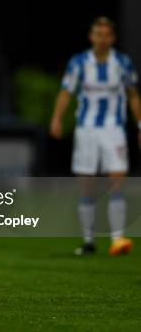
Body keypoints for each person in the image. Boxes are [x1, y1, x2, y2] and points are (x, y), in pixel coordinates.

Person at [50, 16, 141, 256]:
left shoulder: (122, 62)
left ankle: (117, 239)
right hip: (86, 129)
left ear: (112, 38)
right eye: (98, 34)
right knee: (86, 187)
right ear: (92, 37)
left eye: (106, 35)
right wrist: (57, 118)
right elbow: (66, 92)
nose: (102, 39)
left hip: (114, 129)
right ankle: (89, 241)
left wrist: (140, 124)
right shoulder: (80, 62)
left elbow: (133, 94)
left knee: (117, 181)